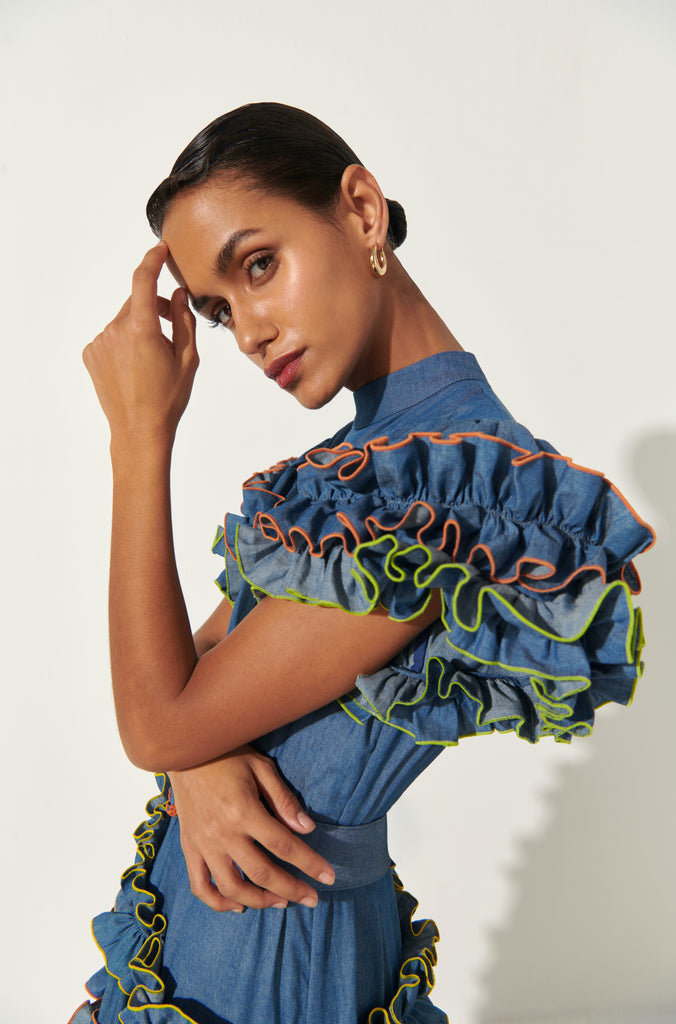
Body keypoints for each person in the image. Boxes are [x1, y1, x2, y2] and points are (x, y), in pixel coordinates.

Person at [71, 102, 654, 1024]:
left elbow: (158, 720)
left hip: (281, 967)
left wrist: (140, 437)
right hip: (202, 941)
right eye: (219, 311)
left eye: (258, 265)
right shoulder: (356, 471)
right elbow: (185, 689)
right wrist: (198, 759)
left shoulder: (459, 492)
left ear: (363, 210)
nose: (250, 331)